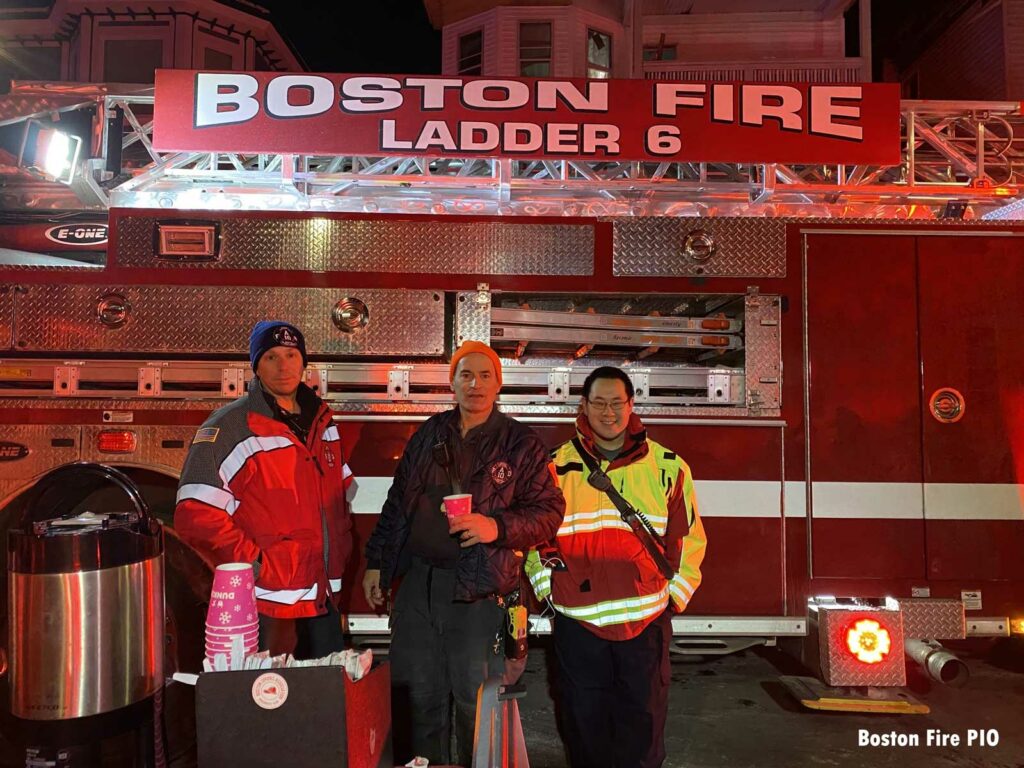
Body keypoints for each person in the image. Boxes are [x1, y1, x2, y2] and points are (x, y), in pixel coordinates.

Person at [362, 340, 564, 767]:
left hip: (481, 592)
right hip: (419, 586)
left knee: (479, 706)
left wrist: (496, 527)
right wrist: (377, 563)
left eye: (485, 375)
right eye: (465, 375)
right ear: (452, 383)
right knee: (417, 700)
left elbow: (549, 514)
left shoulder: (521, 444)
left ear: (499, 383)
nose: (475, 384)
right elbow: (397, 503)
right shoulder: (429, 434)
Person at [525, 365, 707, 768]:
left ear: (631, 405)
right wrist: (549, 592)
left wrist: (672, 600)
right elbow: (537, 541)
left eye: (616, 403)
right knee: (583, 729)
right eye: (599, 403)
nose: (608, 413)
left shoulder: (669, 468)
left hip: (645, 626)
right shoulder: (553, 469)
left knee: (642, 733)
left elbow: (690, 539)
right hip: (578, 625)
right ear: (583, 406)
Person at [175, 320, 353, 658]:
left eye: (291, 354)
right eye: (271, 356)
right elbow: (195, 517)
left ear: (304, 362)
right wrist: (255, 565)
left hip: (322, 600)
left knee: (324, 703)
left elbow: (339, 501)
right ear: (255, 365)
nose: (283, 365)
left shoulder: (324, 423)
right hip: (269, 605)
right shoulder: (229, 428)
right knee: (272, 703)